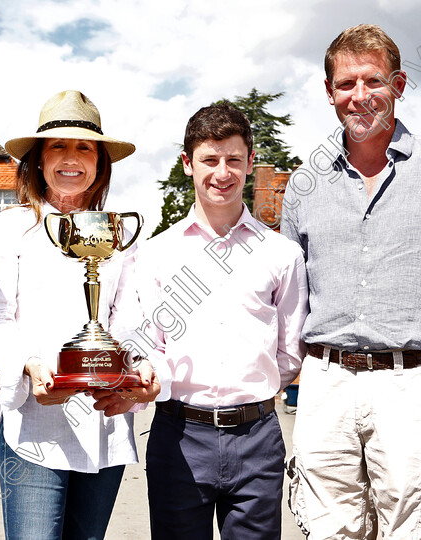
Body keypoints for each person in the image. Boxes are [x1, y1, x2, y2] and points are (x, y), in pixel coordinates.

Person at [281, 24, 421, 539]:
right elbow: (291, 292)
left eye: (373, 81)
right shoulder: (303, 185)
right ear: (329, 92)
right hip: (325, 385)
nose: (359, 96)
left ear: (399, 84)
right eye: (346, 84)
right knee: (327, 528)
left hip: (414, 383)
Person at [0, 89, 160, 540]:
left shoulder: (119, 233)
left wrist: (135, 372)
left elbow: (129, 318)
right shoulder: (10, 228)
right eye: (58, 145)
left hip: (104, 419)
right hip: (34, 419)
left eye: (84, 147)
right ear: (38, 160)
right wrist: (30, 366)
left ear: (101, 162)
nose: (71, 158)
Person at [132, 101, 308, 539]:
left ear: (250, 162)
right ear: (188, 163)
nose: (222, 173)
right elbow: (148, 343)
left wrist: (249, 391)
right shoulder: (155, 253)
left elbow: (290, 351)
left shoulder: (281, 254)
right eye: (210, 160)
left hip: (258, 438)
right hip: (179, 435)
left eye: (233, 159)